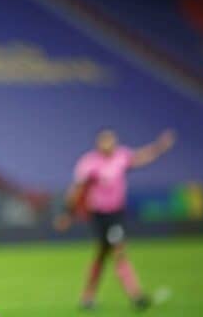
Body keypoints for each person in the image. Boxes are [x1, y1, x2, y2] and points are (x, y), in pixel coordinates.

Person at [54, 129, 176, 311]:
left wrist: (159, 147)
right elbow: (77, 189)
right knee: (103, 255)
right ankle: (88, 297)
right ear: (98, 144)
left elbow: (141, 157)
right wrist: (67, 213)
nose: (108, 145)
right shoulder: (90, 163)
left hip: (116, 214)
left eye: (111, 141)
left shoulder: (121, 157)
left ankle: (135, 295)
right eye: (105, 142)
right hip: (99, 215)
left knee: (118, 251)